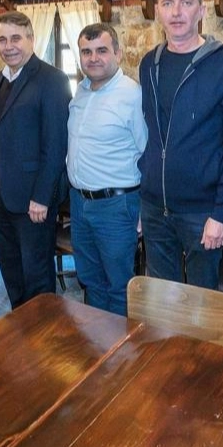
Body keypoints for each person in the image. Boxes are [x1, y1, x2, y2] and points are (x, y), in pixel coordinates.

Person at [138, 0, 223, 290]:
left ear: (201, 10)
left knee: (203, 302)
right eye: (168, 4)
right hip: (155, 207)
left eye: (186, 3)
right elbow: (150, 135)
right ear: (157, 11)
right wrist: (144, 200)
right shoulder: (149, 63)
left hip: (203, 212)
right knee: (161, 299)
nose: (176, 12)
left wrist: (221, 213)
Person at [0, 11, 71, 309]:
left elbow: (56, 145)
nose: (8, 46)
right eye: (2, 40)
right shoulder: (1, 78)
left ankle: (43, 328)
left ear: (31, 39)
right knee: (11, 269)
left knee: (36, 274)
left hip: (33, 200)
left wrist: (42, 197)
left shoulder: (52, 79)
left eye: (16, 38)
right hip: (2, 196)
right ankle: (20, 323)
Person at [67, 23, 146, 315]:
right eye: (86, 52)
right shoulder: (81, 91)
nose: (93, 58)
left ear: (118, 53)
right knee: (90, 281)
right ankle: (97, 338)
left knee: (119, 286)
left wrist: (144, 211)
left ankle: (119, 344)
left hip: (116, 207)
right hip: (79, 203)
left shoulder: (132, 95)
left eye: (101, 50)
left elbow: (148, 153)